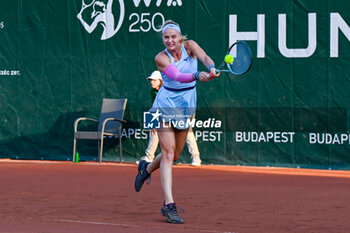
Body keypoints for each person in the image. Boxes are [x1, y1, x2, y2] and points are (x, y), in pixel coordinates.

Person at [134, 20, 219, 224]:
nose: (170, 40)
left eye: (173, 36)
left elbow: (205, 57)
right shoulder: (161, 58)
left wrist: (212, 67)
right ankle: (168, 205)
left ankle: (145, 169)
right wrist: (199, 74)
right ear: (163, 39)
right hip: (164, 104)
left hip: (186, 105)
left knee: (174, 155)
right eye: (166, 37)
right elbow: (179, 77)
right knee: (169, 152)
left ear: (180, 37)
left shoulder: (191, 46)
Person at [141, 71, 202, 166]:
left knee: (187, 132)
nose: (152, 82)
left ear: (160, 81)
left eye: (154, 80)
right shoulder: (152, 91)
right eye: (151, 80)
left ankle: (196, 158)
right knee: (154, 130)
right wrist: (153, 124)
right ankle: (149, 158)